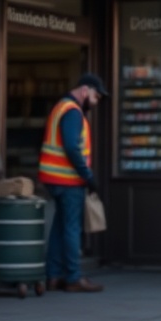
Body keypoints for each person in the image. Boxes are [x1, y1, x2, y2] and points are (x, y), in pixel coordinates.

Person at [40, 73, 110, 293]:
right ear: (85, 91)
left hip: (54, 178)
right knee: (71, 228)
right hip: (68, 179)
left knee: (60, 228)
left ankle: (53, 276)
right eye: (96, 96)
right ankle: (73, 277)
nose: (96, 102)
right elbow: (71, 147)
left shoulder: (61, 107)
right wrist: (88, 176)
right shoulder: (72, 112)